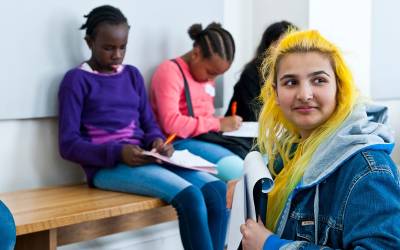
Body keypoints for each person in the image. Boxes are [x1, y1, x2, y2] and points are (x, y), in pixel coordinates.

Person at [58, 5, 228, 250]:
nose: (117, 54)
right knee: (190, 197)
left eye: (122, 47)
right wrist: (118, 152)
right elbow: (68, 145)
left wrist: (158, 142)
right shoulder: (76, 81)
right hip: (107, 167)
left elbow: (149, 125)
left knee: (217, 189)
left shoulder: (132, 76)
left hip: (145, 158)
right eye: (108, 48)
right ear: (89, 42)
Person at [239, 30, 400, 249]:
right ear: (275, 94)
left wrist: (272, 246)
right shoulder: (290, 152)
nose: (304, 94)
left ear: (339, 88)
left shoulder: (368, 169)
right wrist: (243, 191)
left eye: (318, 80)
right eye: (290, 82)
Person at [151, 23, 244, 181]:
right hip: (179, 142)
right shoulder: (170, 72)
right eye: (211, 73)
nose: (212, 79)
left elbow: (205, 114)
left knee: (256, 162)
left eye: (218, 75)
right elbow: (171, 124)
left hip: (205, 137)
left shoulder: (203, 74)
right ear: (196, 54)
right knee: (239, 172)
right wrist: (218, 124)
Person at [225, 21, 297, 121]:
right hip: (246, 130)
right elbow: (254, 114)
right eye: (278, 44)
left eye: (289, 45)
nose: (283, 50)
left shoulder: (296, 73)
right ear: (267, 47)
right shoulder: (251, 73)